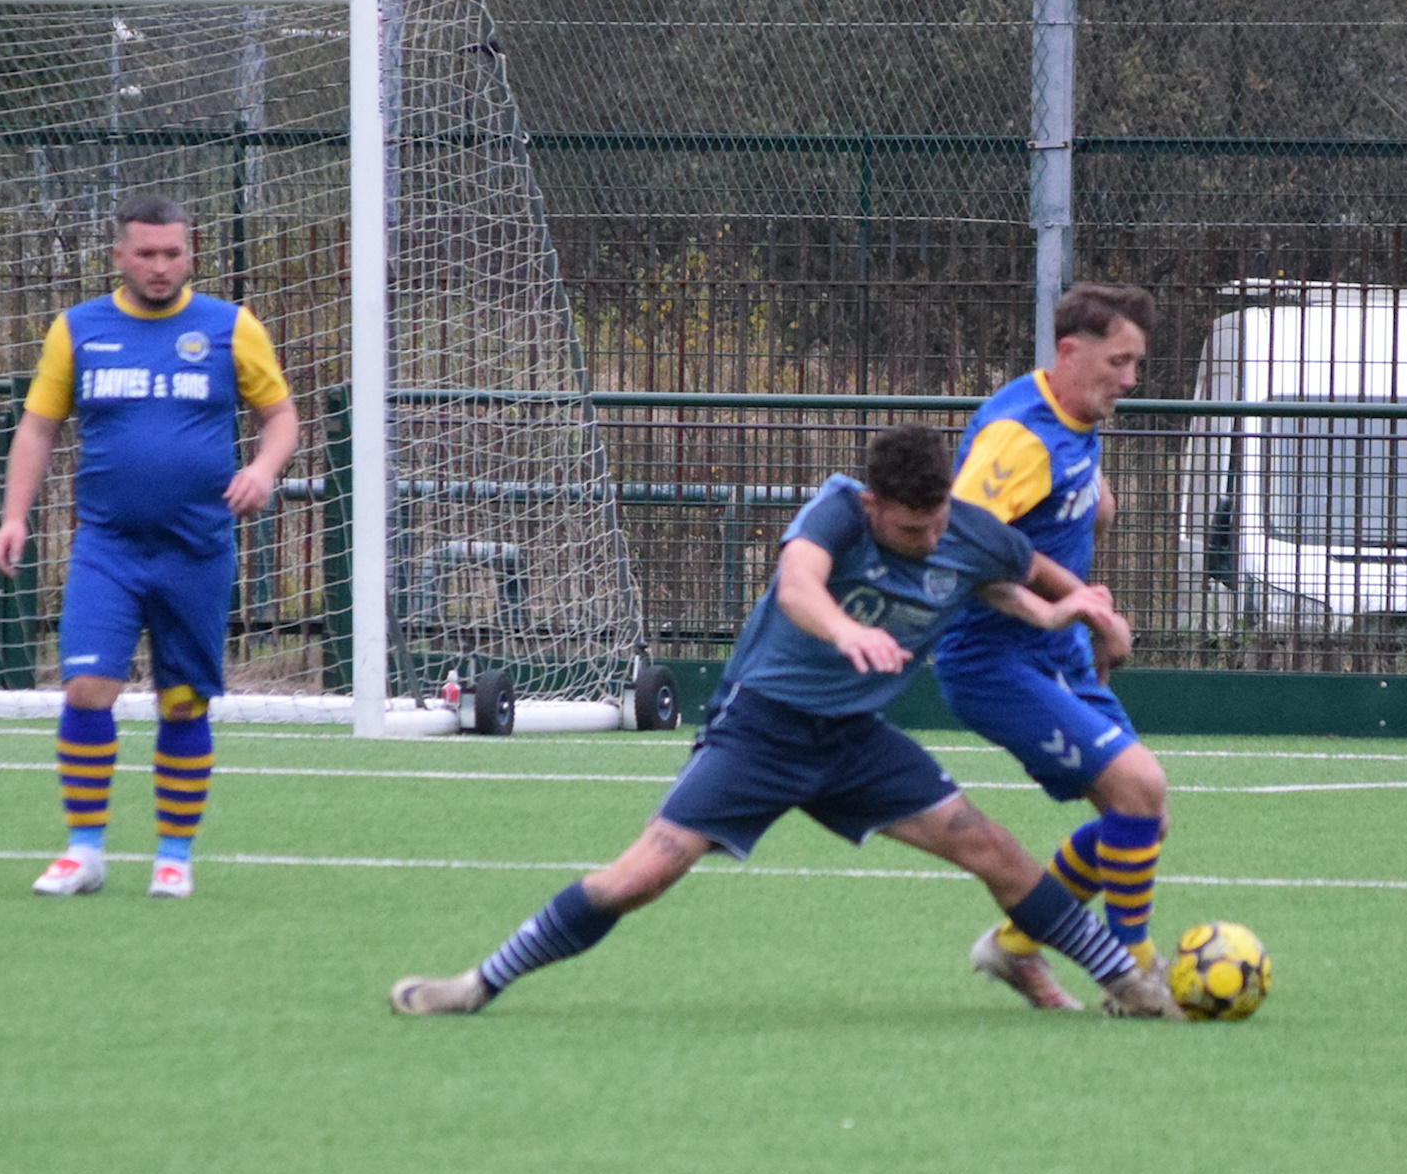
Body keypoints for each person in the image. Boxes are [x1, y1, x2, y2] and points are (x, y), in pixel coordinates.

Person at [388, 424, 1186, 1021]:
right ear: (875, 506)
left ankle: (1126, 981)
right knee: (640, 876)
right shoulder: (838, 510)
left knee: (992, 846)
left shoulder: (963, 527)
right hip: (761, 729)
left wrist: (1066, 606)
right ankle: (477, 984)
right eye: (910, 530)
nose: (928, 539)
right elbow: (799, 584)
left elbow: (1012, 569)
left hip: (854, 742)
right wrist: (847, 631)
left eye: (938, 523)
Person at [0, 196, 299, 900]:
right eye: (147, 253)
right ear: (120, 256)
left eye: (173, 253)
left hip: (197, 549)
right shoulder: (78, 330)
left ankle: (173, 857)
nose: (161, 266)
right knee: (86, 687)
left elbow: (280, 417)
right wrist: (15, 516)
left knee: (184, 701)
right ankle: (84, 849)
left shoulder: (230, 327)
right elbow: (37, 428)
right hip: (108, 547)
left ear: (189, 255)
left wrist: (261, 468)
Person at [934, 284, 1172, 1013]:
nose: (1132, 380)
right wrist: (1057, 609)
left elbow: (1077, 505)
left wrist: (1087, 594)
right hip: (992, 660)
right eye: (1120, 361)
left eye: (1138, 363)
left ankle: (1012, 946)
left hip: (1057, 652)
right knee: (1140, 789)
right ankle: (1134, 971)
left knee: (1139, 814)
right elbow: (954, 550)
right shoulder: (1020, 436)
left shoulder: (1074, 417)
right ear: (1071, 351)